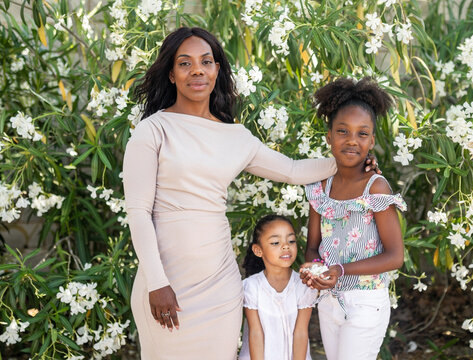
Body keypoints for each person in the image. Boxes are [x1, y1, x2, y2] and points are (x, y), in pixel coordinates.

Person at [122, 27, 379, 359]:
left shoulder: (235, 137)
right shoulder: (152, 131)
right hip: (165, 281)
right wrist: (157, 283)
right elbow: (138, 213)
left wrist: (350, 159)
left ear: (217, 70)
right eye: (185, 64)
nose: (197, 70)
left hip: (218, 284)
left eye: (206, 62)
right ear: (171, 74)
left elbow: (292, 170)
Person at [299, 77, 407, 360]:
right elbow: (313, 248)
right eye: (342, 131)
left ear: (372, 140)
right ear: (329, 136)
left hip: (365, 302)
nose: (351, 140)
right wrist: (313, 270)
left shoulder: (376, 187)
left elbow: (396, 256)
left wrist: (341, 270)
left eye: (362, 134)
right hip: (329, 302)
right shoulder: (320, 187)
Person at [238, 214, 317, 360]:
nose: (286, 246)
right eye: (275, 242)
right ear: (258, 250)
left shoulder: (304, 285)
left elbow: (301, 332)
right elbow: (255, 333)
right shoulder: (251, 287)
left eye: (291, 240)